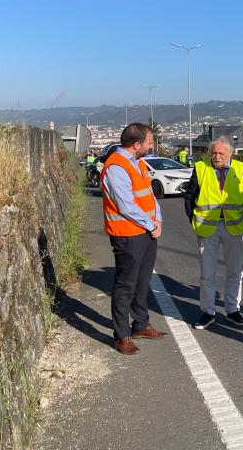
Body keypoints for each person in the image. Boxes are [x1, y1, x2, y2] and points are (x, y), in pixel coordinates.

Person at [100, 123, 166, 355]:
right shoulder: (117, 166)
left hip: (146, 232)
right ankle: (121, 336)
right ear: (136, 144)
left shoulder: (137, 163)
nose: (152, 145)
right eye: (149, 142)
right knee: (125, 285)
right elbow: (125, 205)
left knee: (142, 282)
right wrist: (151, 224)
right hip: (127, 235)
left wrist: (157, 220)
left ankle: (140, 325)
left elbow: (149, 195)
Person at [184, 136, 243, 329]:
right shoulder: (200, 168)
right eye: (214, 152)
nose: (216, 156)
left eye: (221, 153)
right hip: (207, 227)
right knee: (207, 273)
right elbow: (190, 196)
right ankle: (207, 311)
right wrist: (192, 219)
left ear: (230, 153)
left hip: (234, 226)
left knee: (235, 271)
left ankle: (233, 310)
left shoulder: (241, 168)